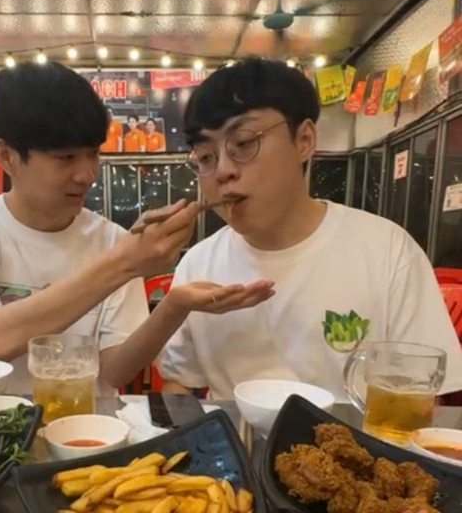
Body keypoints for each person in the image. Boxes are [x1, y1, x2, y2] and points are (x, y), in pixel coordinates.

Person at [0, 62, 273, 394]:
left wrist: (174, 306)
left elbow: (115, 372)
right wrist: (125, 263)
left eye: (92, 154)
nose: (87, 174)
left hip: (85, 426)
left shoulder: (113, 241)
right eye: (66, 158)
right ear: (7, 156)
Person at [157, 58, 462, 401]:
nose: (223, 171)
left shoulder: (388, 251)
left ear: (304, 140)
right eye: (205, 157)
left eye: (243, 143)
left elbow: (422, 395)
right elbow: (178, 384)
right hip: (233, 435)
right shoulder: (198, 265)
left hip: (356, 435)